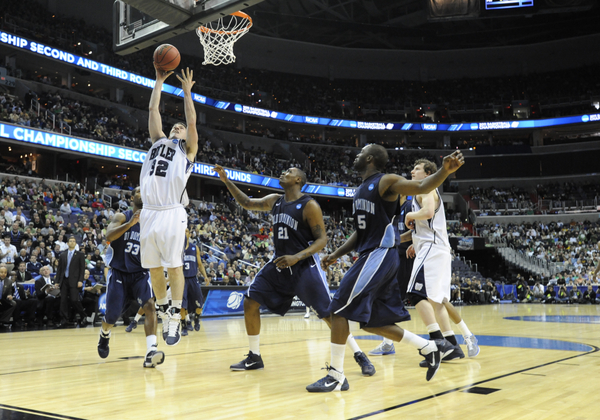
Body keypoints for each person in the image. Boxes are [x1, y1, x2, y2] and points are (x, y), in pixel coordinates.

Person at [307, 145, 464, 392]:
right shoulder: (360, 190)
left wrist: (444, 171)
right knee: (371, 322)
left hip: (379, 255)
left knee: (337, 311)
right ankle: (430, 347)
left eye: (361, 153)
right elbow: (361, 232)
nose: (356, 155)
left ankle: (336, 376)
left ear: (370, 158)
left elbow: (422, 187)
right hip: (375, 255)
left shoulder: (386, 181)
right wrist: (337, 254)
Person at [215, 165, 376, 377]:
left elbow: (322, 240)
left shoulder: (309, 205)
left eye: (289, 172)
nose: (283, 173)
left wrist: (297, 256)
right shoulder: (275, 200)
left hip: (304, 266)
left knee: (329, 315)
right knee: (250, 301)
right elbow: (246, 203)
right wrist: (227, 181)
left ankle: (359, 355)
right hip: (279, 264)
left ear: (298, 180)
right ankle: (254, 357)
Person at [140, 66, 198, 346]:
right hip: (149, 212)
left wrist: (187, 93)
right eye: (175, 125)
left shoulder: (187, 151)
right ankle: (164, 313)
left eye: (181, 127)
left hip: (172, 212)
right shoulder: (157, 141)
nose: (178, 126)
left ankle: (176, 315)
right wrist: (159, 81)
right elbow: (153, 111)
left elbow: (193, 122)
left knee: (174, 266)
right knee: (153, 268)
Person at [98, 187, 164, 368]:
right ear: (132, 197)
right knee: (111, 317)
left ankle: (151, 351)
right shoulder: (122, 216)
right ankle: (104, 334)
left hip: (140, 274)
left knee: (150, 306)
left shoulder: (152, 223)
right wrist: (130, 224)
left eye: (145, 190)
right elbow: (108, 236)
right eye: (138, 191)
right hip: (119, 272)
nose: (142, 193)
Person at [55, 235, 88, 328]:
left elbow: (82, 269)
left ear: (76, 243)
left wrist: (81, 280)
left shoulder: (80, 254)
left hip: (75, 280)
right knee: (63, 301)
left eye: (74, 241)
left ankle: (83, 316)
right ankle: (64, 320)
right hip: (64, 280)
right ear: (67, 243)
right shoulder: (62, 254)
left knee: (74, 300)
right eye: (70, 241)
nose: (72, 242)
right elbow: (59, 269)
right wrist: (57, 281)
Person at [182, 226, 208, 333]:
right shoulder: (177, 248)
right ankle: (184, 326)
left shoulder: (194, 248)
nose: (184, 233)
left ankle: (196, 319)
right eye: (182, 231)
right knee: (182, 305)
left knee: (199, 303)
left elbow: (200, 264)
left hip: (193, 278)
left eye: (186, 231)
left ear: (189, 234)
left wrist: (205, 276)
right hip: (182, 279)